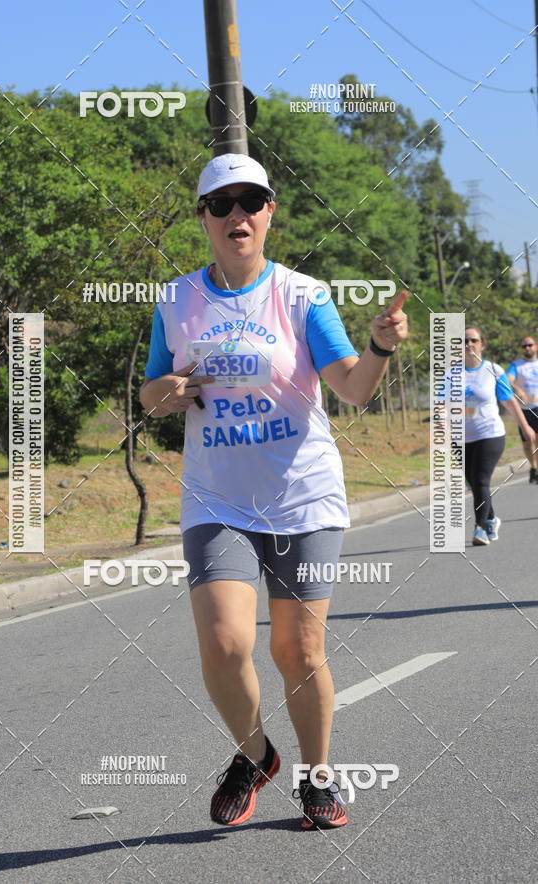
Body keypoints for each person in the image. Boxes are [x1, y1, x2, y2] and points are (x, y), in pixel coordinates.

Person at [139, 153, 408, 830]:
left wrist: (379, 347)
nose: (237, 214)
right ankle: (255, 754)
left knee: (298, 652)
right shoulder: (176, 301)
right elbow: (149, 393)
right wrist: (167, 392)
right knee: (225, 643)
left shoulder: (302, 296)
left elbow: (353, 388)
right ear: (203, 217)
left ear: (269, 213)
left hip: (302, 498)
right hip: (217, 498)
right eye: (221, 204)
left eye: (250, 202)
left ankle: (317, 777)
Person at [464, 326, 536, 545]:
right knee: (473, 482)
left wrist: (525, 426)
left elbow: (508, 401)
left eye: (473, 340)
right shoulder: (451, 374)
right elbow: (442, 403)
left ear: (482, 345)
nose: (468, 344)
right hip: (463, 436)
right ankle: (491, 519)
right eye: (463, 341)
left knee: (481, 479)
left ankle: (480, 528)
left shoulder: (493, 370)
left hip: (490, 433)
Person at [506, 336, 538, 483]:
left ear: (535, 346)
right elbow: (508, 379)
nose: (527, 348)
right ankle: (533, 466)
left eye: (530, 345)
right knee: (527, 443)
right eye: (524, 346)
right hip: (523, 410)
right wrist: (517, 389)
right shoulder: (517, 365)